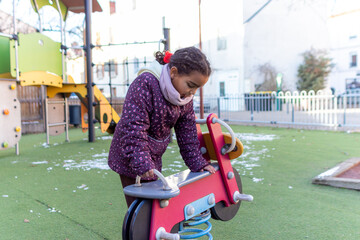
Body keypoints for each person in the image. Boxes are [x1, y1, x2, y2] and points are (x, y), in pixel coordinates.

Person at [108, 46, 216, 207]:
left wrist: (197, 162)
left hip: (153, 153)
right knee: (139, 204)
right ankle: (138, 229)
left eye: (196, 89)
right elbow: (134, 127)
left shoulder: (184, 98)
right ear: (173, 72)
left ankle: (151, 227)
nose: (191, 92)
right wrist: (141, 159)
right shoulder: (145, 84)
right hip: (130, 152)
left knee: (153, 197)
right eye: (190, 84)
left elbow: (187, 133)